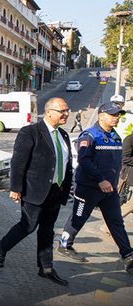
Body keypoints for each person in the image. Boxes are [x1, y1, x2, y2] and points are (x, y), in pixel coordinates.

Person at [0, 98, 73, 286]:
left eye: (67, 110)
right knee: (28, 226)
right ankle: (2, 246)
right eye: (62, 110)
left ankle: (46, 268)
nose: (66, 114)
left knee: (47, 230)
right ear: (49, 112)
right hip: (34, 190)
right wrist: (15, 188)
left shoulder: (63, 135)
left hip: (55, 190)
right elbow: (18, 162)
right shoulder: (30, 132)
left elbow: (65, 163)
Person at [56, 102, 133, 274]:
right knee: (79, 217)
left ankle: (128, 255)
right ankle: (64, 245)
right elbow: (84, 160)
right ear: (101, 116)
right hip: (89, 188)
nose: (116, 118)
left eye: (118, 115)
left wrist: (115, 180)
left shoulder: (115, 136)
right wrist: (100, 180)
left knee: (116, 222)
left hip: (110, 189)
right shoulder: (90, 135)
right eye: (113, 114)